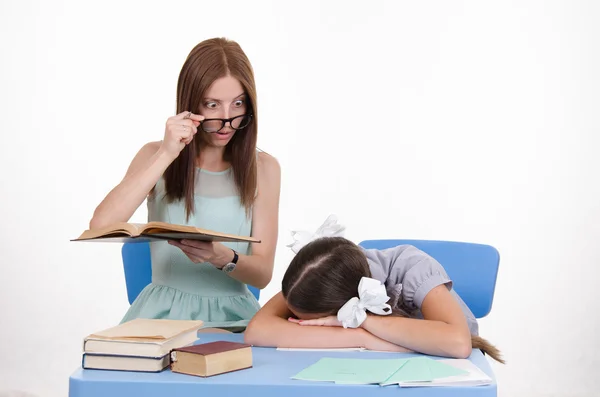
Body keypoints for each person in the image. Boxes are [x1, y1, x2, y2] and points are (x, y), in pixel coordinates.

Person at [89, 38, 281, 330]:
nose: (226, 119)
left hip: (234, 317)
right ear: (191, 103)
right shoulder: (155, 155)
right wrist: (167, 153)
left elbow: (263, 273)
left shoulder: (264, 167)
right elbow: (100, 225)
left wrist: (221, 256)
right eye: (212, 105)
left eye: (238, 103)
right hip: (160, 317)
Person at [244, 217, 504, 362]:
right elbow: (257, 331)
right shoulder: (316, 275)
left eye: (305, 321)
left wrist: (365, 323)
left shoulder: (411, 267)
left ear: (346, 305)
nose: (296, 324)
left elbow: (457, 344)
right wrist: (362, 339)